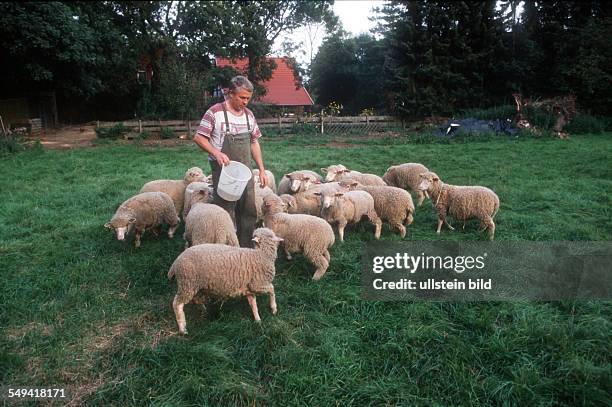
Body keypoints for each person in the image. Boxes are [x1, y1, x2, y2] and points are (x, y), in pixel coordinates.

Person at [193, 75, 268, 247]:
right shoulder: (215, 112)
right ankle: (224, 247)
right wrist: (216, 153)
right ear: (231, 94)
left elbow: (254, 142)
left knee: (248, 209)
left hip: (245, 171)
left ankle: (246, 246)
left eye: (248, 98)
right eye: (242, 98)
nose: (245, 102)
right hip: (223, 170)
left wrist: (262, 170)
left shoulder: (249, 115)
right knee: (224, 209)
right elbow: (199, 137)